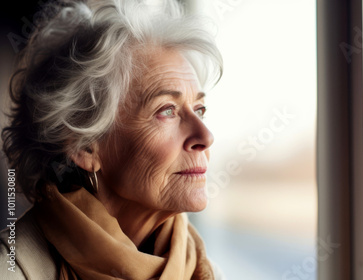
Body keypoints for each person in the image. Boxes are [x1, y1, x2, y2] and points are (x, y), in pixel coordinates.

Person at [0, 0, 224, 279]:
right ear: (85, 146)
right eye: (167, 110)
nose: (206, 136)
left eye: (199, 110)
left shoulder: (203, 269)